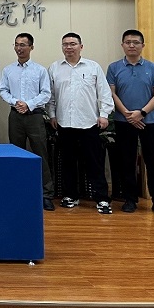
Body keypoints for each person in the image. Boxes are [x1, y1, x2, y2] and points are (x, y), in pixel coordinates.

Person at [48, 32, 114, 214]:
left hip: (89, 123)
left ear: (81, 46)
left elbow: (104, 93)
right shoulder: (55, 68)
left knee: (94, 163)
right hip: (64, 124)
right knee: (68, 162)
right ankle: (71, 195)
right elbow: (51, 96)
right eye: (65, 44)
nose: (69, 47)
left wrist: (104, 115)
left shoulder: (93, 67)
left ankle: (102, 198)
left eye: (73, 44)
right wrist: (52, 115)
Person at [107, 29, 154, 216]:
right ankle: (130, 199)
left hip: (149, 122)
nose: (132, 45)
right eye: (128, 42)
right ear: (122, 45)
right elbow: (111, 93)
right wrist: (128, 115)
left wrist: (141, 113)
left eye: (135, 42)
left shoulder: (153, 68)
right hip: (123, 121)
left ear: (142, 45)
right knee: (127, 161)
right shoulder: (114, 68)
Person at [0, 32, 55, 211]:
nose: (19, 48)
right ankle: (18, 191)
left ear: (31, 47)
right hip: (15, 115)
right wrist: (16, 103)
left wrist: (28, 105)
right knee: (16, 153)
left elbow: (46, 93)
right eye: (16, 44)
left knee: (40, 153)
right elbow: (3, 90)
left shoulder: (40, 70)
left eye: (23, 45)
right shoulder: (8, 70)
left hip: (35, 116)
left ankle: (46, 194)